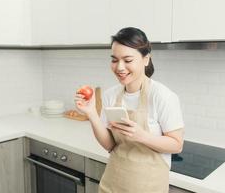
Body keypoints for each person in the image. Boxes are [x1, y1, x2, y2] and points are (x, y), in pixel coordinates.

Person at [75, 27, 184, 193]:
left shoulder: (162, 96)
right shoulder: (111, 95)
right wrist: (91, 114)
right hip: (112, 185)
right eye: (114, 59)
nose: (119, 67)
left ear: (146, 59)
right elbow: (110, 145)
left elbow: (176, 145)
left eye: (127, 60)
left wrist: (142, 136)